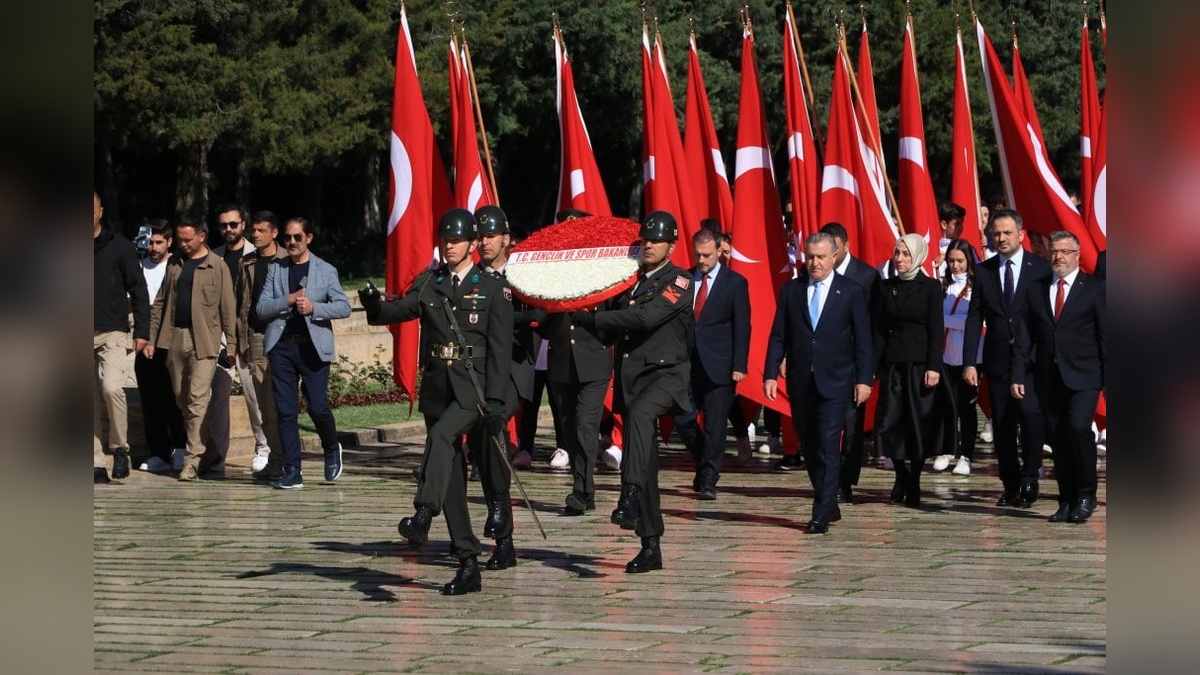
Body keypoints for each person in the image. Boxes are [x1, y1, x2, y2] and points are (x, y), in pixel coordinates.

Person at [361, 208, 514, 595]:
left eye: (457, 241)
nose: (450, 246)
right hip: (438, 389)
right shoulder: (431, 283)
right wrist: (373, 304)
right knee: (448, 478)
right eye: (445, 240)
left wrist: (496, 400)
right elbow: (397, 312)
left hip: (473, 391)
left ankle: (422, 513)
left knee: (441, 440)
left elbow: (499, 350)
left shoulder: (492, 287)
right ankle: (467, 563)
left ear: (473, 244)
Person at [571, 211, 692, 573]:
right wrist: (581, 311)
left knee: (640, 419)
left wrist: (594, 319)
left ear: (671, 245)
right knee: (645, 458)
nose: (649, 246)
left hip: (666, 376)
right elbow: (614, 331)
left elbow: (646, 319)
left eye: (656, 241)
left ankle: (629, 495)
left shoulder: (680, 281)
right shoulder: (629, 282)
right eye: (645, 240)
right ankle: (650, 544)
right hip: (634, 380)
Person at [764, 232, 873, 534]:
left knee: (827, 443)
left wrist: (864, 379)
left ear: (834, 256)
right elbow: (778, 335)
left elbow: (863, 340)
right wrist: (771, 372)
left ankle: (819, 513)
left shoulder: (849, 291)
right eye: (810, 256)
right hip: (801, 382)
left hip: (837, 381)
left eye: (821, 257)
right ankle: (829, 503)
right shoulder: (792, 291)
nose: (815, 262)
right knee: (810, 446)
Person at [1013, 232, 1105, 523]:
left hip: (1085, 375)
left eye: (1065, 252)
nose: (1058, 257)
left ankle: (1086, 494)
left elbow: (1107, 335)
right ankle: (1066, 499)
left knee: (1078, 428)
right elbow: (1024, 336)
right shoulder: (1036, 289)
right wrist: (1018, 373)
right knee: (1059, 438)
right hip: (1048, 377)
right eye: (1054, 252)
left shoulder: (1095, 288)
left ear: (1077, 255)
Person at [963, 208, 1051, 508]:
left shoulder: (1040, 268)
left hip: (1032, 361)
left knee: (1030, 416)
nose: (1001, 238)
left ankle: (1030, 477)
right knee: (1002, 424)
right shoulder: (985, 271)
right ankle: (1010, 483)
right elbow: (974, 318)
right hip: (997, 360)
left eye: (1006, 233)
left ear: (1021, 235)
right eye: (996, 233)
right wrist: (969, 361)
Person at [256, 217, 351, 490]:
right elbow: (261, 309)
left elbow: (343, 307)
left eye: (298, 237)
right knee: (285, 411)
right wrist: (286, 300)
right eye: (288, 238)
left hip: (312, 347)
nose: (292, 243)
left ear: (308, 238)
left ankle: (332, 447)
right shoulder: (277, 269)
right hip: (282, 347)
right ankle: (293, 470)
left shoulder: (325, 270)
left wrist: (314, 308)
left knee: (317, 405)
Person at [470, 204, 540, 570]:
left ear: (506, 239)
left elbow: (541, 313)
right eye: (480, 236)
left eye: (491, 236)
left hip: (513, 370)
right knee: (484, 446)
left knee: (493, 427)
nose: (485, 242)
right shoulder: (470, 277)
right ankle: (503, 539)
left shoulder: (520, 275)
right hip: (478, 370)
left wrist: (505, 316)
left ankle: (499, 512)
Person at [144, 217, 237, 481]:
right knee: (182, 399)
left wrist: (231, 344)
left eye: (187, 239)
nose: (182, 244)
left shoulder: (217, 267)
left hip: (204, 341)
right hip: (175, 339)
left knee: (197, 400)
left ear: (202, 237)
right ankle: (208, 451)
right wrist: (151, 339)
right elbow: (160, 303)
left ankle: (192, 460)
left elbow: (228, 310)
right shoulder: (175, 263)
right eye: (180, 239)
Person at [873, 234, 956, 507]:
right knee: (890, 422)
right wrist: (876, 366)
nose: (900, 259)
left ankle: (915, 479)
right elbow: (879, 330)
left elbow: (935, 328)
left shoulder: (930, 287)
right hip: (894, 365)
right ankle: (901, 473)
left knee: (918, 424)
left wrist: (933, 366)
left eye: (906, 254)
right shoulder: (885, 288)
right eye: (896, 253)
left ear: (918, 256)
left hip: (921, 366)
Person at [673, 228, 751, 500]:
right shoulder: (682, 279)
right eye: (697, 254)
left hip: (720, 365)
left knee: (717, 426)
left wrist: (739, 364)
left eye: (707, 255)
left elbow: (743, 327)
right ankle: (704, 457)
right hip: (687, 363)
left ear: (719, 251)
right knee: (682, 418)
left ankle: (708, 480)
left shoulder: (735, 283)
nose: (702, 260)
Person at [819, 222, 883, 502]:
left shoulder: (867, 276)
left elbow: (876, 328)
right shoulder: (812, 271)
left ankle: (845, 482)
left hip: (854, 366)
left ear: (845, 246)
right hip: (821, 364)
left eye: (834, 247)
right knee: (824, 427)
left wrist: (869, 372)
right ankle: (826, 479)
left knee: (852, 427)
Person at [94, 192, 151, 481]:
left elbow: (139, 290)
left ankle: (119, 449)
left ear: (100, 211)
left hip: (112, 331)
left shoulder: (120, 247)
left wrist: (142, 331)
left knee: (112, 388)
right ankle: (93, 460)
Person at [212, 203, 272, 470]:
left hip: (248, 334)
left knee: (254, 396)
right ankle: (216, 455)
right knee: (215, 398)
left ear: (243, 225)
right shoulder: (213, 257)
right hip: (219, 335)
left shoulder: (256, 255)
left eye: (233, 224)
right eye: (223, 225)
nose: (228, 229)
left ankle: (265, 448)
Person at [238, 211, 288, 480]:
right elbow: (242, 304)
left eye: (261, 230)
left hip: (282, 336)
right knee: (264, 406)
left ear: (274, 233)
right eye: (253, 231)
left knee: (282, 403)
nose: (255, 235)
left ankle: (289, 459)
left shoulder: (286, 261)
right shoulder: (247, 263)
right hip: (256, 338)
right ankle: (276, 458)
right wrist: (240, 340)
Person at [133, 220, 184, 472]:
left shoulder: (177, 267)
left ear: (169, 242)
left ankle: (180, 447)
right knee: (150, 400)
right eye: (150, 242)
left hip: (170, 342)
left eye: (158, 242)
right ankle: (159, 452)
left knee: (172, 398)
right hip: (144, 342)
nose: (153, 248)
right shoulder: (138, 267)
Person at [932, 239, 981, 476]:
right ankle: (947, 448)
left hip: (969, 357)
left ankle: (967, 454)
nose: (955, 265)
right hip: (945, 355)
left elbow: (972, 322)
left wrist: (942, 320)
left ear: (969, 260)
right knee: (946, 405)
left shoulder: (976, 288)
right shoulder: (942, 286)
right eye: (951, 261)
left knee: (966, 408)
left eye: (960, 260)